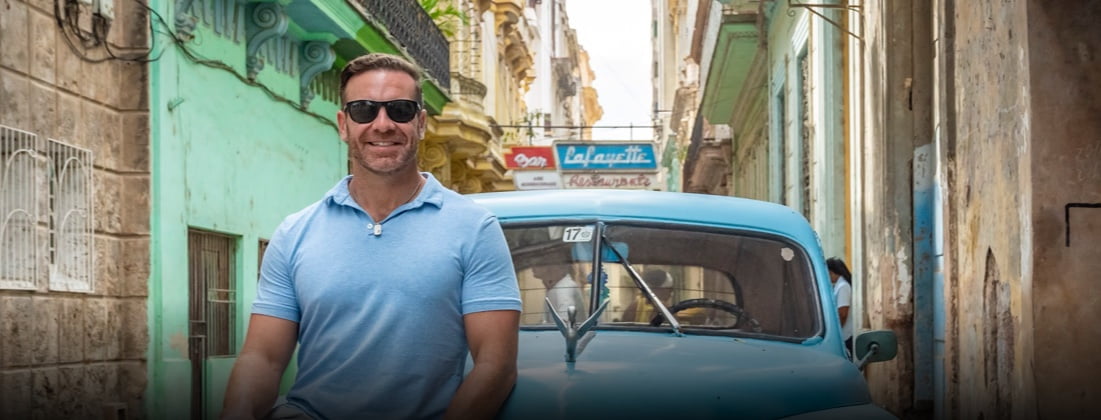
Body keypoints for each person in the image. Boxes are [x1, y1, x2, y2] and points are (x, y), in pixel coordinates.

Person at [221, 53, 522, 420]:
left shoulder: (474, 228)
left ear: (421, 123)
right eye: (364, 110)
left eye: (400, 109)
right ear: (343, 124)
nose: (383, 124)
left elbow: (496, 367)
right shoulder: (294, 232)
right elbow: (262, 359)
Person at [826, 257, 854, 356]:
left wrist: (835, 334)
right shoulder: (838, 285)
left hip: (845, 335)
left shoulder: (843, 286)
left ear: (831, 272)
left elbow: (842, 313)